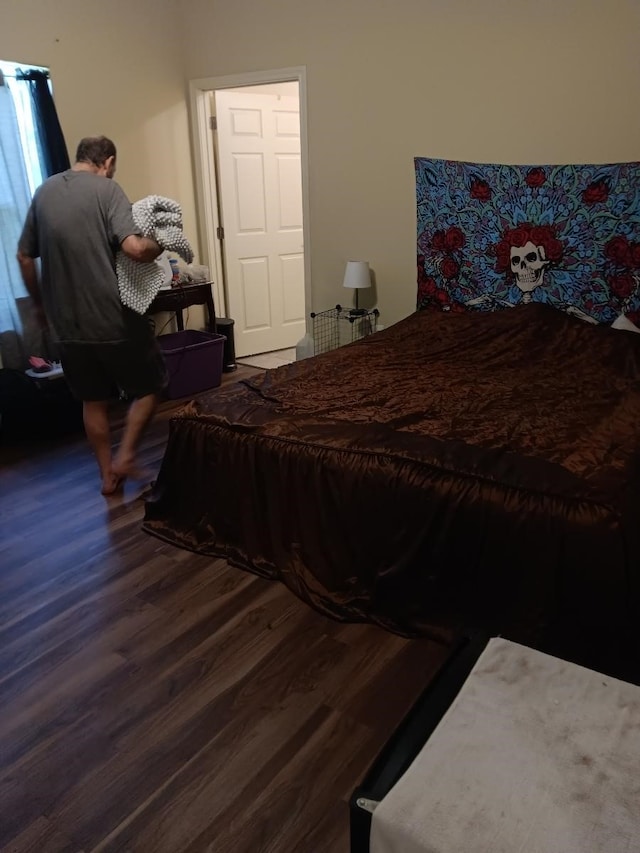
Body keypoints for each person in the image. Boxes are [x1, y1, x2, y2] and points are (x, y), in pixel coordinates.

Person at [17, 135, 167, 496]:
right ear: (109, 161)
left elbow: (24, 256)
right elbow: (135, 249)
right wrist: (164, 239)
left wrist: (40, 306)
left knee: (92, 400)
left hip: (66, 325)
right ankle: (126, 456)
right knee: (150, 386)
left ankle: (107, 476)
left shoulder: (44, 192)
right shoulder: (107, 190)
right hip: (110, 318)